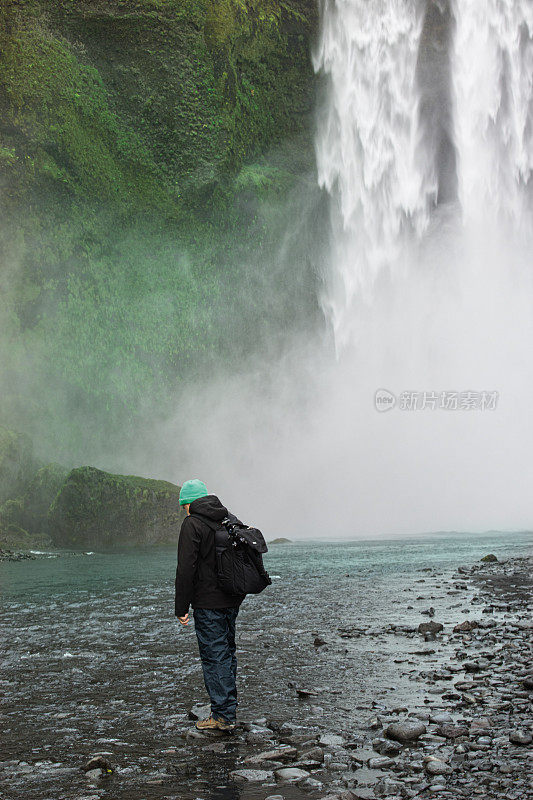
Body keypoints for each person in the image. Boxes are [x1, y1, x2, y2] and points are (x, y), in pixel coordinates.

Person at [174, 479, 245, 732]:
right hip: (232, 598)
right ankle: (227, 708)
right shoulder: (227, 517)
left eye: (184, 505)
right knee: (226, 652)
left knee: (214, 655)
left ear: (188, 503)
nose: (184, 510)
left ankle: (223, 716)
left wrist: (181, 608)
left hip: (208, 602)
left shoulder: (193, 523)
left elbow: (185, 569)